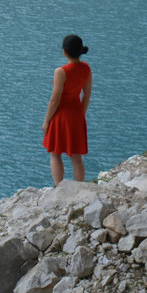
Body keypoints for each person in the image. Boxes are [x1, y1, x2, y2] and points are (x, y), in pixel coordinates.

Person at [41, 33, 92, 184]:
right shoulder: (86, 69)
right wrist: (81, 115)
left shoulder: (61, 71)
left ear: (64, 51)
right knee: (76, 157)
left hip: (61, 116)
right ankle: (79, 188)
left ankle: (59, 187)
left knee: (55, 153)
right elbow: (87, 96)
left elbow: (55, 99)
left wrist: (46, 121)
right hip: (77, 114)